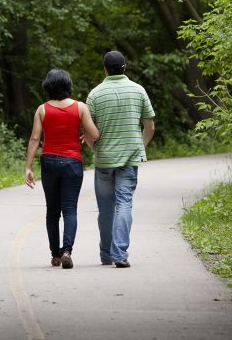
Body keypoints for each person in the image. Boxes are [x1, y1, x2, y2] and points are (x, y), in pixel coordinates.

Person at [85, 51, 155, 268]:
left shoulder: (95, 95)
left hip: (104, 159)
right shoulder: (138, 90)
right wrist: (139, 147)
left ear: (105, 69)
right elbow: (150, 126)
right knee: (124, 203)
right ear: (124, 67)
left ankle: (106, 254)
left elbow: (88, 132)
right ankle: (120, 254)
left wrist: (94, 148)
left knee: (105, 209)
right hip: (129, 159)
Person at [25, 69, 100, 269]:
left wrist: (28, 167)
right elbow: (94, 134)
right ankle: (67, 250)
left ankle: (55, 255)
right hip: (72, 163)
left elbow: (34, 139)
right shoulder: (80, 107)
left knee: (52, 212)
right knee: (70, 209)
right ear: (68, 85)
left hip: (49, 162)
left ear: (48, 87)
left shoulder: (42, 109)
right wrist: (84, 132)